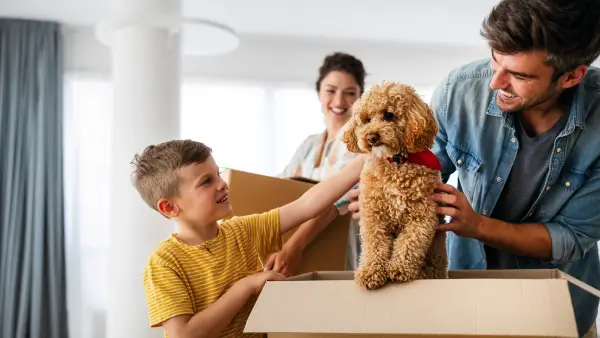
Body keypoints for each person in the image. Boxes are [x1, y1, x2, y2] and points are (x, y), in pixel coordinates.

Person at [348, 0, 600, 336]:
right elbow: (409, 160)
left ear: (572, 76)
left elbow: (570, 237)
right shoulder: (460, 90)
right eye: (495, 60)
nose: (495, 83)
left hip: (558, 306)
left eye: (519, 75)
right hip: (466, 291)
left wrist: (477, 225)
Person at [133, 139, 364, 338]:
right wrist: (245, 286)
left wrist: (362, 162)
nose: (222, 184)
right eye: (206, 181)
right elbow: (185, 335)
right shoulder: (163, 262)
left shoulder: (244, 231)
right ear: (170, 207)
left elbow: (306, 205)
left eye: (218, 174)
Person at [268, 52, 368, 274]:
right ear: (319, 92)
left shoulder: (362, 144)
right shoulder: (309, 145)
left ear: (361, 98)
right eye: (330, 91)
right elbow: (279, 186)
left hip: (341, 253)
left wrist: (294, 247)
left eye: (350, 93)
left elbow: (335, 200)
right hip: (299, 255)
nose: (339, 102)